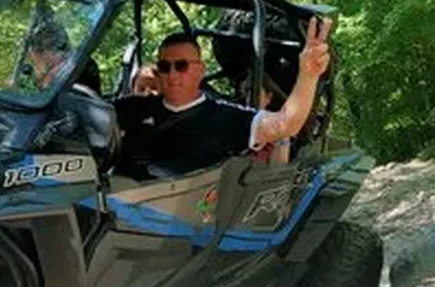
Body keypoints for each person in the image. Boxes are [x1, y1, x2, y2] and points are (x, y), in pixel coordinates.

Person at [114, 16, 332, 175]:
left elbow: (284, 124)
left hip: (182, 226)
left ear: (200, 69)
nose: (172, 75)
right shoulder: (133, 108)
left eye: (181, 66)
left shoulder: (225, 117)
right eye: (164, 66)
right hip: (114, 212)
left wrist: (308, 75)